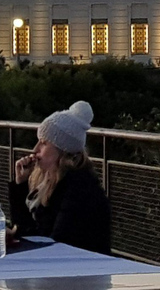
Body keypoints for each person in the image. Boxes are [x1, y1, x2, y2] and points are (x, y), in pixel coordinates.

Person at [9, 101, 111, 254]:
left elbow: (54, 242)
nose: (35, 149)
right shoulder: (51, 181)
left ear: (62, 150)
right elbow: (27, 232)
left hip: (83, 271)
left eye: (43, 144)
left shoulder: (79, 188)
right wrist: (21, 185)